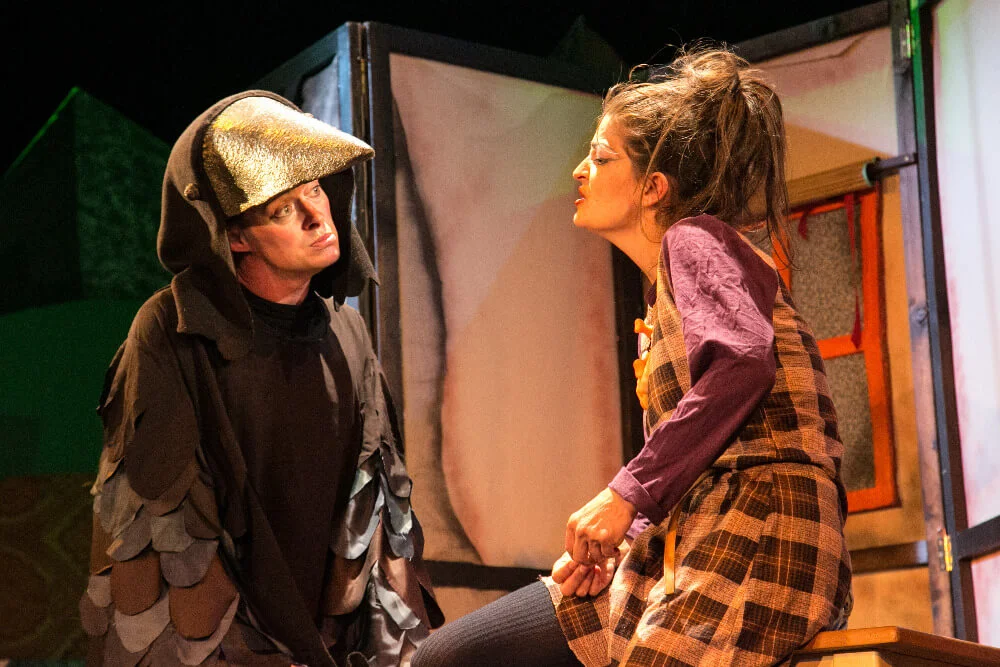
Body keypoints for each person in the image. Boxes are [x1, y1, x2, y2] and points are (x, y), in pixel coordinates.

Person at [411, 47, 852, 666]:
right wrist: (623, 538)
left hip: (760, 529)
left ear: (653, 187)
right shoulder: (665, 288)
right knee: (449, 656)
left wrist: (625, 496)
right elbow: (696, 449)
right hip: (687, 534)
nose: (579, 171)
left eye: (601, 157)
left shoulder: (695, 240)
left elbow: (743, 363)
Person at [79, 91, 442, 667]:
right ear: (235, 237)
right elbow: (168, 550)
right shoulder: (172, 332)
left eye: (315, 189)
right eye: (281, 210)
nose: (317, 217)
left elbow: (376, 531)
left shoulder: (348, 332)